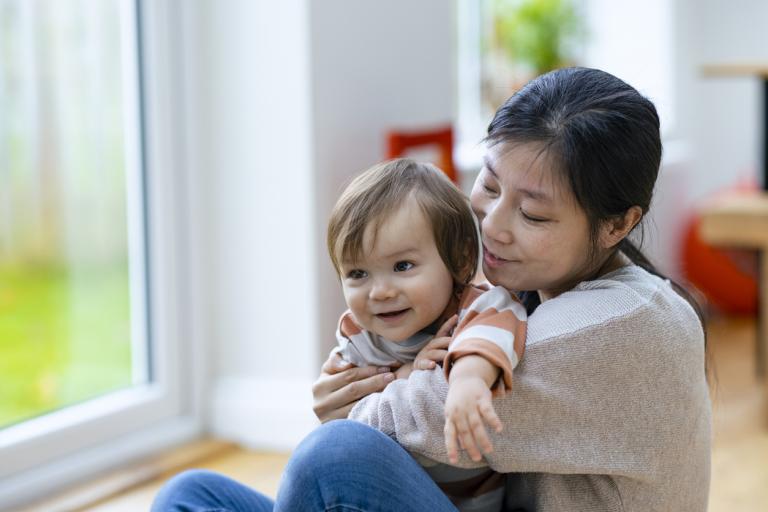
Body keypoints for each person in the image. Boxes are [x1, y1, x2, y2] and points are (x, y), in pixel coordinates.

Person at [152, 67, 711, 512]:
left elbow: (411, 420)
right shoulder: (535, 287)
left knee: (335, 457)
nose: (493, 224)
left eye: (534, 215)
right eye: (490, 183)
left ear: (616, 224)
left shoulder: (614, 325)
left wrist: (350, 406)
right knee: (191, 495)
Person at [326, 158, 527, 510]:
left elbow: (487, 339)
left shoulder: (473, 308)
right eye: (358, 273)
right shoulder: (357, 333)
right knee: (197, 487)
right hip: (369, 498)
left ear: (462, 260)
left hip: (457, 505)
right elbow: (339, 414)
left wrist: (466, 383)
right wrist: (405, 374)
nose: (380, 292)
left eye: (403, 266)